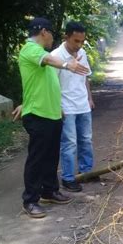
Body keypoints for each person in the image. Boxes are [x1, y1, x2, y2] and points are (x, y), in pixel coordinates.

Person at [17, 17, 89, 218]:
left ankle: (49, 190)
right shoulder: (30, 49)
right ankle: (30, 200)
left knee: (51, 156)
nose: (52, 38)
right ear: (43, 32)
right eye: (51, 34)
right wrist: (68, 65)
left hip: (52, 113)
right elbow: (49, 61)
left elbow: (39, 83)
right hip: (38, 114)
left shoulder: (43, 53)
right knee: (37, 158)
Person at [51, 22, 95, 192]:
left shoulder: (82, 53)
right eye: (76, 41)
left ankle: (85, 172)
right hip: (66, 107)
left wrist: (90, 98)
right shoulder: (55, 56)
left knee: (86, 140)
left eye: (82, 42)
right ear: (66, 37)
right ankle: (68, 178)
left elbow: (85, 77)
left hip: (83, 105)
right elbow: (52, 85)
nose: (79, 45)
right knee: (69, 143)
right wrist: (57, 107)